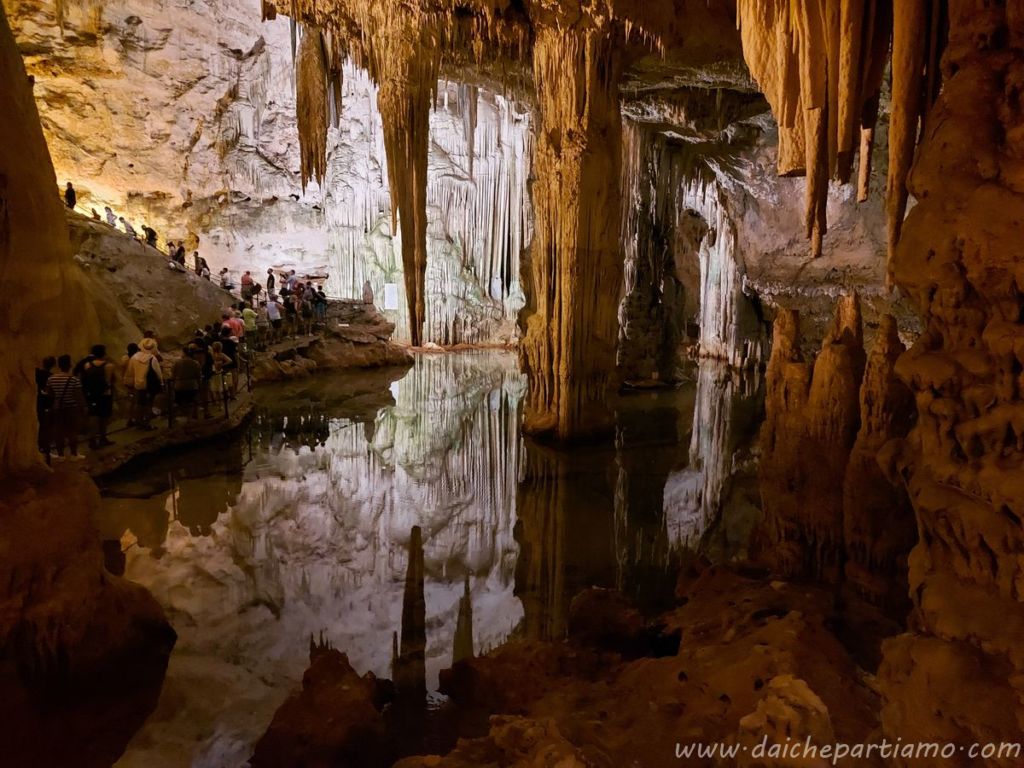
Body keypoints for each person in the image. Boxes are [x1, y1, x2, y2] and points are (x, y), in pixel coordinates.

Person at [46, 354, 87, 459]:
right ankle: (73, 454)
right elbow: (78, 395)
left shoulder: (51, 379)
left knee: (59, 431)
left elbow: (49, 395)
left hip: (57, 408)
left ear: (59, 365)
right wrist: (83, 407)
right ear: (69, 365)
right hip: (71, 408)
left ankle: (60, 455)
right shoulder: (74, 380)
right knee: (72, 431)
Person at [80, 344, 115, 448]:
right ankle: (103, 438)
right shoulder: (109, 366)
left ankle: (92, 439)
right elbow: (112, 380)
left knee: (93, 416)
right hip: (105, 394)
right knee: (104, 417)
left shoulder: (88, 365)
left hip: (92, 394)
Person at [129, 338, 163, 430]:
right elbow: (158, 372)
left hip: (138, 384)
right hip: (149, 385)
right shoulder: (152, 358)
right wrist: (161, 382)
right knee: (149, 404)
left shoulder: (134, 357)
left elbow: (131, 371)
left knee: (139, 404)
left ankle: (138, 421)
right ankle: (146, 423)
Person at [172, 347, 202, 420]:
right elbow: (198, 376)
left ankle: (184, 418)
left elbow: (173, 374)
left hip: (179, 385)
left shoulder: (177, 363)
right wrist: (200, 385)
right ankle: (191, 417)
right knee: (192, 402)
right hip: (192, 385)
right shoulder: (195, 363)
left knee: (181, 403)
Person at [36, 356, 56, 457]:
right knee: (45, 427)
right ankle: (45, 448)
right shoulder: (51, 376)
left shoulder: (37, 373)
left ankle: (40, 447)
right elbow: (51, 392)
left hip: (37, 403)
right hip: (46, 404)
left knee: (40, 427)